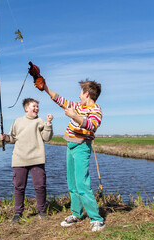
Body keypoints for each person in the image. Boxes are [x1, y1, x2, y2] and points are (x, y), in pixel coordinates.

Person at [28, 62, 105, 232]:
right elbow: (59, 99)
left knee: (82, 183)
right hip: (70, 146)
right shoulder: (78, 106)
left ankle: (96, 219)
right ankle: (76, 214)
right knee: (72, 183)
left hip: (82, 147)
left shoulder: (95, 109)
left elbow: (92, 125)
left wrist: (75, 117)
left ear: (86, 93)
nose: (78, 97)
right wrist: (45, 87)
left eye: (80, 93)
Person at [0, 98, 53, 223]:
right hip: (20, 159)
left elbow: (47, 137)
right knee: (19, 186)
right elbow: (12, 138)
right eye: (34, 106)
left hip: (37, 158)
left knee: (40, 186)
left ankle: (41, 211)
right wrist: (5, 138)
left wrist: (49, 124)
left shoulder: (40, 121)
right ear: (26, 108)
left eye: (37, 106)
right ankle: (18, 212)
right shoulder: (17, 121)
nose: (36, 108)